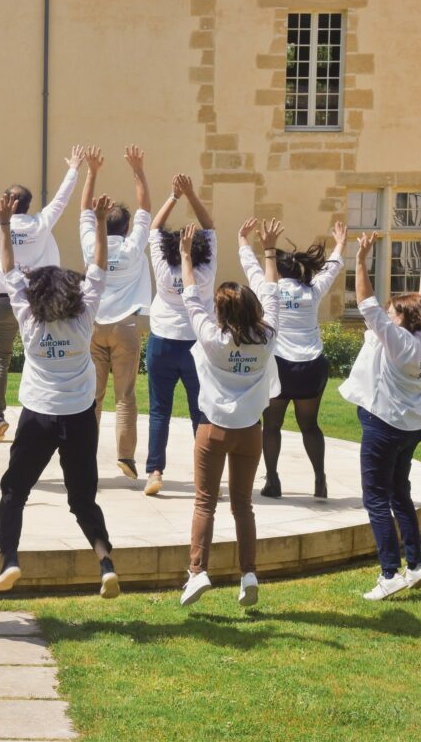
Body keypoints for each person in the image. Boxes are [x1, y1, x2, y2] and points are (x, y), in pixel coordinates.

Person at [0, 190, 121, 600]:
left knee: (14, 492)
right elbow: (98, 267)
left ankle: (10, 559)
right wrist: (100, 222)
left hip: (38, 417)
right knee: (82, 498)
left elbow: (9, 271)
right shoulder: (84, 317)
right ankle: (104, 562)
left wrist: (4, 227)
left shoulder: (28, 319)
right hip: (79, 417)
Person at [339, 227, 421, 601]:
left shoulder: (399, 341)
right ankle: (416, 565)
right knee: (399, 493)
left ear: (404, 320)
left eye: (393, 313)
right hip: (413, 425)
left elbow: (366, 304)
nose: (388, 315)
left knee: (375, 497)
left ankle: (390, 573)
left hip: (385, 424)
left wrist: (359, 260)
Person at [178, 218, 283, 608]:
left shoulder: (212, 338)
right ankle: (249, 573)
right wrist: (265, 249)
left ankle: (197, 572)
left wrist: (186, 256)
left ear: (221, 312)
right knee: (243, 505)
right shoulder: (268, 335)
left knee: (205, 502)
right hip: (250, 432)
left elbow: (190, 296)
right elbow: (270, 290)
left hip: (213, 429)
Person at [0, 146, 85, 443]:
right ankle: (40, 414)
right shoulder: (40, 224)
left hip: (5, 300)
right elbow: (60, 200)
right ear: (29, 205)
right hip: (37, 304)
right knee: (39, 358)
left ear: (6, 202)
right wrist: (74, 169)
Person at [239, 221, 347, 498]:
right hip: (311, 366)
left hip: (279, 367)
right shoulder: (312, 291)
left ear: (275, 270)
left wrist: (243, 240)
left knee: (272, 425)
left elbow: (251, 268)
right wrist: (341, 244)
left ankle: (273, 480)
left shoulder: (267, 290)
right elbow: (331, 269)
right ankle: (320, 479)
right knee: (309, 425)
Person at [79, 145, 153, 479]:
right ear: (125, 229)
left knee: (91, 398)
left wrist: (92, 171)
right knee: (125, 397)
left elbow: (83, 210)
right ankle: (126, 457)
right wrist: (137, 169)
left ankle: (85, 460)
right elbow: (145, 209)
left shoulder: (90, 245)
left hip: (93, 326)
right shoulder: (134, 246)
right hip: (125, 325)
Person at [143, 174, 216, 496]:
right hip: (198, 345)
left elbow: (154, 229)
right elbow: (210, 227)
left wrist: (173, 197)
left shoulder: (163, 267)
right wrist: (191, 194)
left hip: (162, 341)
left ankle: (155, 471)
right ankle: (205, 475)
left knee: (160, 410)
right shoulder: (205, 271)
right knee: (200, 412)